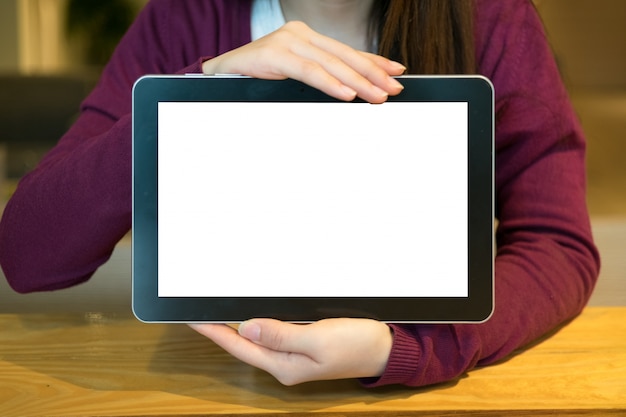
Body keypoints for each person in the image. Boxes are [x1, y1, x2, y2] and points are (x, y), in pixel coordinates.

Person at [0, 0, 600, 388]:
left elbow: (558, 244)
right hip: (207, 385)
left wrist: (407, 350)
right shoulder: (184, 18)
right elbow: (29, 253)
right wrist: (198, 93)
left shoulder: (491, 18)